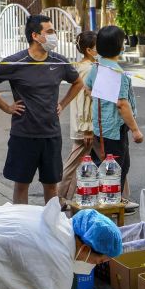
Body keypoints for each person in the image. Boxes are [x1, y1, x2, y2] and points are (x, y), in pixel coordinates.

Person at [0, 15, 83, 205]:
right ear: (35, 35)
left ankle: (51, 227)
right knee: (21, 185)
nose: (54, 36)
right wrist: (6, 107)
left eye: (54, 32)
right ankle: (21, 228)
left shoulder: (59, 61)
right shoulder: (16, 62)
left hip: (51, 134)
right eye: (49, 32)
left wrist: (63, 103)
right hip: (24, 134)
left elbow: (77, 82)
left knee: (51, 186)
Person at [84, 25, 143, 198]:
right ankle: (110, 213)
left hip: (100, 128)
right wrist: (135, 130)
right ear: (119, 45)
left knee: (107, 169)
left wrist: (100, 98)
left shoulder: (97, 66)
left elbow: (87, 87)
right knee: (115, 174)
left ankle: (108, 208)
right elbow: (122, 104)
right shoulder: (118, 73)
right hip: (114, 131)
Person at [59, 31, 97, 203]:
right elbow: (84, 100)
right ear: (89, 50)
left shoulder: (85, 66)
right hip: (86, 126)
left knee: (81, 162)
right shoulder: (88, 69)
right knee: (73, 163)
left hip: (87, 124)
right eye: (98, 47)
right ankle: (59, 198)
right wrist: (87, 128)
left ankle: (69, 198)